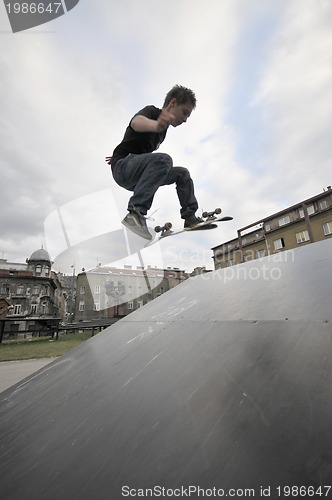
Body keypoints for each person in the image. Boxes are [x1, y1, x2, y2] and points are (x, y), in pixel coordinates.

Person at [106, 84, 208, 240]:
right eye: (184, 112)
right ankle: (135, 213)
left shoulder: (163, 131)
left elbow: (137, 146)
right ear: (172, 103)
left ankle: (190, 217)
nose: (185, 120)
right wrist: (155, 125)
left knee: (182, 173)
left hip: (137, 174)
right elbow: (136, 122)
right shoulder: (152, 112)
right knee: (164, 159)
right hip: (123, 166)